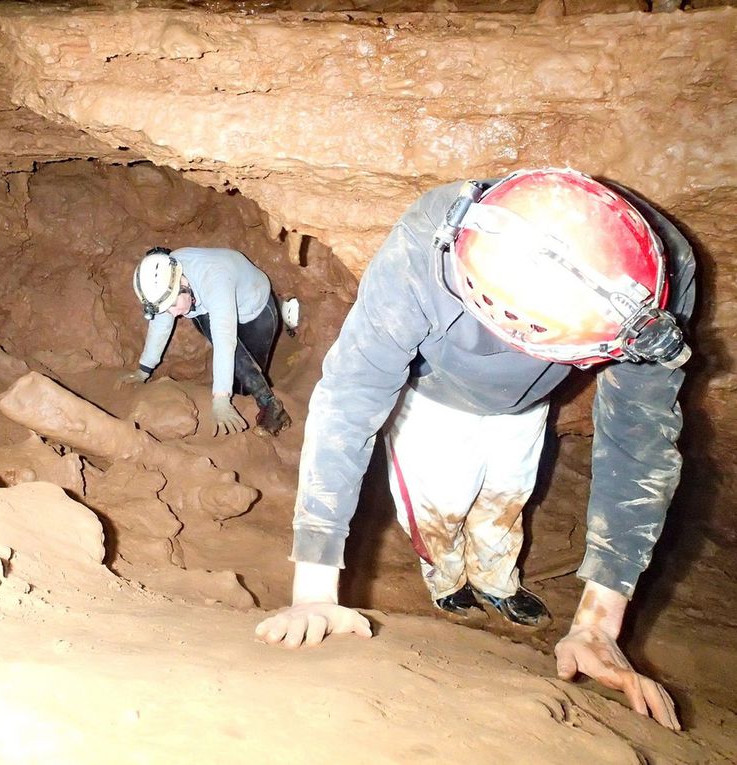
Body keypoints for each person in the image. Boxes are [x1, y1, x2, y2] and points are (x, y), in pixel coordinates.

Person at [255, 168, 694, 731]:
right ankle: (446, 584)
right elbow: (349, 397)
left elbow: (638, 442)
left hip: (525, 410)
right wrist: (314, 588)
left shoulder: (658, 275)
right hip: (433, 404)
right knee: (442, 511)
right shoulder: (427, 243)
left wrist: (598, 624)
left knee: (504, 505)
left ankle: (496, 584)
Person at [120, 246, 292, 437]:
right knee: (234, 377)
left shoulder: (213, 279)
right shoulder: (168, 276)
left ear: (182, 283)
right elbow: (161, 324)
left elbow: (224, 341)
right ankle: (237, 399)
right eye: (167, 308)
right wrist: (144, 369)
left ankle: (272, 407)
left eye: (173, 305)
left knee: (244, 377)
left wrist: (220, 400)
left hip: (255, 309)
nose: (174, 314)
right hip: (211, 305)